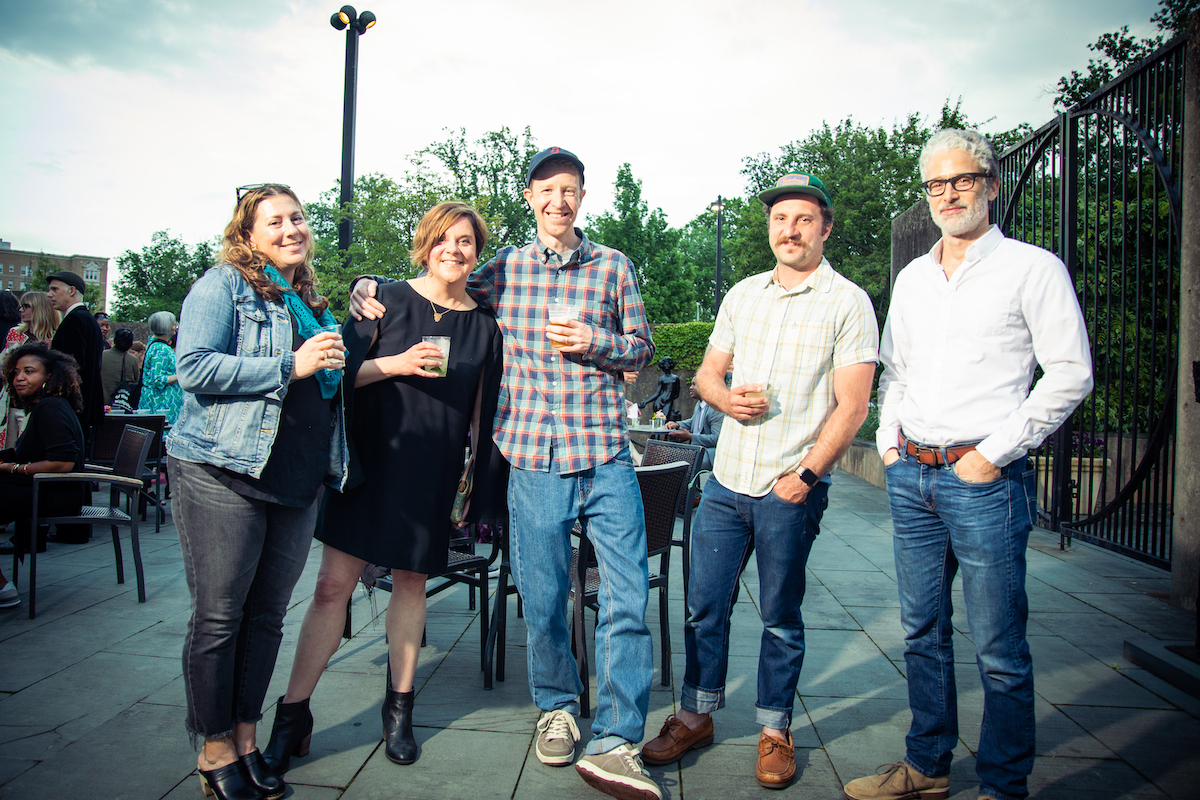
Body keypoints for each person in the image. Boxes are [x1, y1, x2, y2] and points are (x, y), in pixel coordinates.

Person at [350, 147, 661, 800]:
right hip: (533, 458)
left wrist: (596, 343)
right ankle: (557, 707)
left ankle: (616, 737)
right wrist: (368, 285)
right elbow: (442, 281)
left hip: (605, 453)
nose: (558, 200)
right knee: (542, 600)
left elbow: (640, 351)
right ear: (530, 198)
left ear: (582, 196)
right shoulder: (505, 271)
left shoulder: (613, 266)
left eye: (569, 189)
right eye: (546, 189)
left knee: (628, 596)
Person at [843, 130, 1093, 800]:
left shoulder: (1032, 269)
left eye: (962, 180)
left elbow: (1071, 373)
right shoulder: (914, 278)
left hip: (985, 482)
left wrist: (992, 454)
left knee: (998, 647)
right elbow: (895, 371)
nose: (949, 194)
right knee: (921, 633)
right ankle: (926, 767)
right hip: (912, 474)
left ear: (991, 183)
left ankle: (1003, 786)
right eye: (937, 184)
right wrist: (890, 447)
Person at [641, 172, 878, 790]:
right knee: (703, 607)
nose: (789, 230)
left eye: (803, 219)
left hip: (788, 486)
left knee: (779, 615)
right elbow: (707, 376)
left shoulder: (848, 302)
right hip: (726, 482)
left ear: (825, 228)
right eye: (780, 219)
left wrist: (806, 476)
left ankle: (775, 730)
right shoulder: (743, 294)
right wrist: (726, 399)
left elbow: (853, 405)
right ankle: (696, 715)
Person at [264, 202, 505, 772]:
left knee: (411, 583)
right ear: (425, 244)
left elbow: (482, 413)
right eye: (443, 238)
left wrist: (475, 486)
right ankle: (293, 714)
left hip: (432, 470)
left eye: (466, 241)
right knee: (332, 587)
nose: (453, 249)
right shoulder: (383, 300)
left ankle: (399, 710)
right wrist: (395, 364)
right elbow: (338, 374)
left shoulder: (484, 326)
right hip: (369, 465)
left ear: (477, 252)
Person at [166, 183, 349, 800]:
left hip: (296, 480)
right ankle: (214, 747)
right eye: (275, 221)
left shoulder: (310, 303)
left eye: (297, 218)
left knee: (268, 618)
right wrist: (290, 365)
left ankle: (246, 738)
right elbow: (193, 368)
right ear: (247, 234)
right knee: (221, 616)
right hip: (223, 470)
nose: (292, 229)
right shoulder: (223, 285)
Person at [0, 344, 88, 576]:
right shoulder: (49, 404)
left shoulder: (50, 407)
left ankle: (3, 587)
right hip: (46, 489)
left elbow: (63, 463)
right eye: (16, 372)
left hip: (55, 495)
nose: (19, 378)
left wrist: (13, 468)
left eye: (29, 372)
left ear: (49, 376)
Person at [47, 270, 105, 448]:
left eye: (55, 289)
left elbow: (71, 368)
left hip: (74, 407)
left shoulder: (75, 320)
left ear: (71, 290)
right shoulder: (87, 319)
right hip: (84, 406)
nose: (49, 294)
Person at [1, 292, 61, 450]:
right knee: (7, 450)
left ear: (40, 309)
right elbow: (3, 366)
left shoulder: (54, 339)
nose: (20, 310)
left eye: (26, 306)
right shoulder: (15, 334)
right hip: (11, 402)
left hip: (38, 404)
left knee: (30, 450)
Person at [664, 376, 725, 471]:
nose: (691, 387)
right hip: (696, 450)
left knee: (678, 462)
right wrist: (677, 425)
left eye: (694, 384)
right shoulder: (700, 404)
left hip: (710, 453)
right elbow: (694, 421)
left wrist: (691, 437)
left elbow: (716, 439)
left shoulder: (716, 409)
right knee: (666, 455)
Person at [139, 311, 183, 425]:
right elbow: (158, 379)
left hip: (161, 404)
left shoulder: (156, 345)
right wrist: (182, 375)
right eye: (173, 324)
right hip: (161, 405)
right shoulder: (160, 349)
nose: (175, 326)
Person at [100, 328, 141, 407]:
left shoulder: (101, 356)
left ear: (114, 340)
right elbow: (136, 381)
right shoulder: (133, 360)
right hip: (123, 404)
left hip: (102, 403)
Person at [639, 355, 681, 420]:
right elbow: (657, 393)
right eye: (665, 363)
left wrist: (669, 398)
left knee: (664, 418)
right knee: (658, 419)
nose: (667, 365)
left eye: (668, 363)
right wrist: (646, 402)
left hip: (668, 401)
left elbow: (676, 394)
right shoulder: (662, 378)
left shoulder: (675, 378)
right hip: (659, 401)